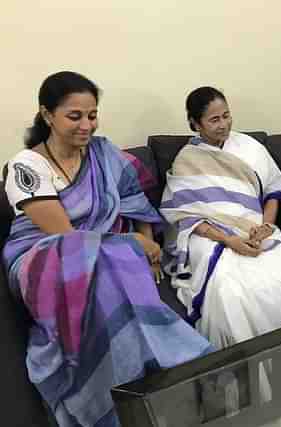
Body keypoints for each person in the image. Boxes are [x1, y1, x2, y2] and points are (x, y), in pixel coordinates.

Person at [3, 71, 213, 427]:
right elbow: (65, 237)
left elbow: (136, 203)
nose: (86, 125)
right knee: (97, 262)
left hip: (102, 252)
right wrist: (133, 243)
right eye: (74, 116)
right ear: (47, 114)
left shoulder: (103, 153)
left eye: (92, 115)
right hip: (43, 256)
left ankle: (144, 390)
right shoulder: (26, 166)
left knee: (111, 271)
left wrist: (148, 247)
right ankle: (110, 401)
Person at [160, 86, 281, 349]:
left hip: (252, 226)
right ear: (195, 124)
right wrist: (230, 241)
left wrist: (266, 225)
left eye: (226, 115)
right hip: (207, 235)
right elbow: (185, 216)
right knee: (228, 291)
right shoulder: (187, 159)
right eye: (214, 120)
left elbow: (273, 192)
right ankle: (242, 364)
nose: (224, 125)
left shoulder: (250, 147)